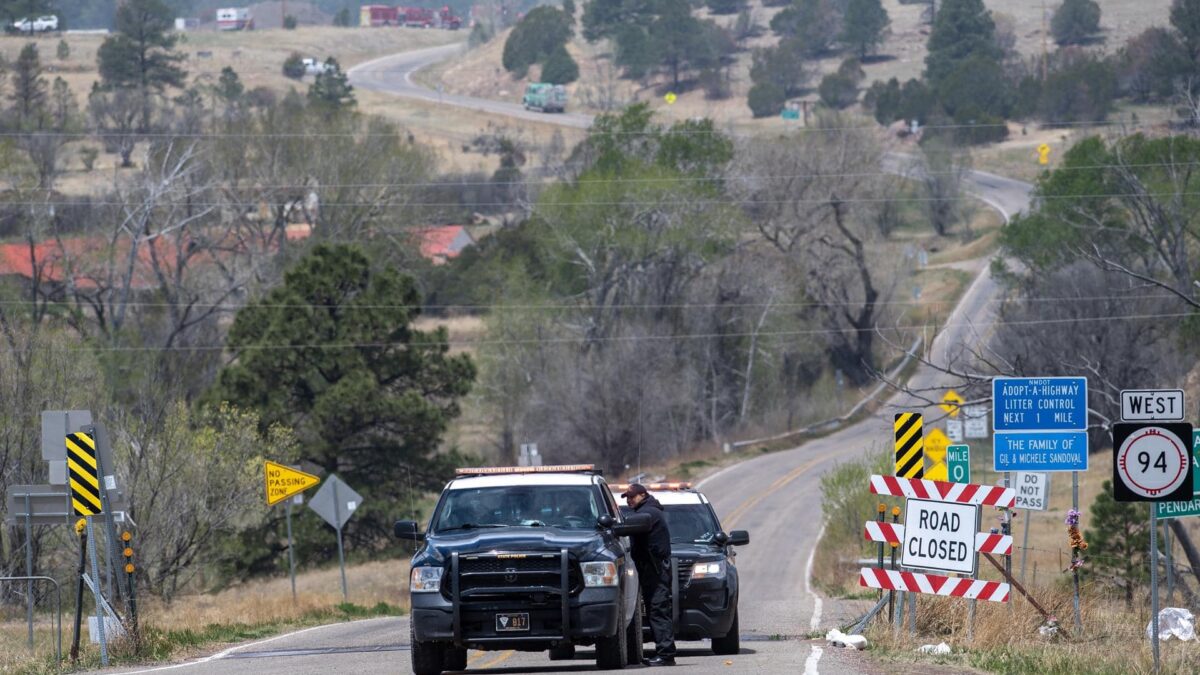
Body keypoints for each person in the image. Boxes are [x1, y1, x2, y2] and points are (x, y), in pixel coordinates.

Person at [621, 483, 676, 666]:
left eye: (632, 497)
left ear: (643, 495)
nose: (629, 501)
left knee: (659, 610)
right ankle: (663, 652)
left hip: (656, 569)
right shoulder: (646, 511)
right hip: (650, 569)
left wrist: (617, 525)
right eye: (627, 498)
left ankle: (666, 655)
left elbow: (631, 525)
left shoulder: (649, 513)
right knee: (655, 610)